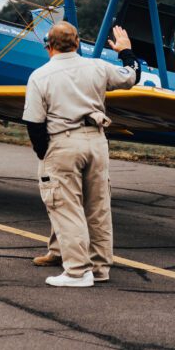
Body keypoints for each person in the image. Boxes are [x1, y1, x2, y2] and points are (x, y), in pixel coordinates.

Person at [23, 21, 139, 288]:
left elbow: (34, 123)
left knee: (66, 207)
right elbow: (132, 76)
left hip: (62, 142)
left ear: (48, 46)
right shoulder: (97, 66)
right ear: (77, 44)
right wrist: (126, 51)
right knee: (98, 207)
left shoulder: (40, 76)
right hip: (97, 141)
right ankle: (99, 268)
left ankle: (77, 271)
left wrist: (45, 154)